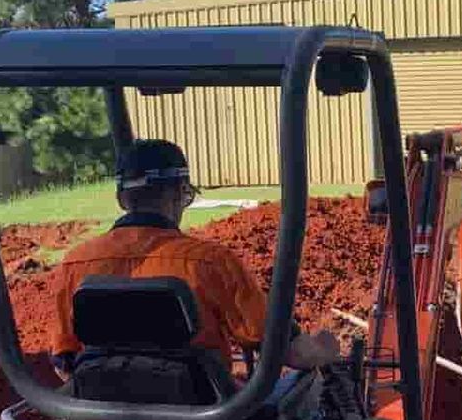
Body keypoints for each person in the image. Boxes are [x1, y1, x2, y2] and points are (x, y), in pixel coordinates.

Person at [48, 138, 342, 380]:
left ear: (122, 198)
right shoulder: (210, 262)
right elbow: (291, 353)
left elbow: (65, 363)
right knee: (305, 391)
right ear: (180, 192)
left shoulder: (75, 263)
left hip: (104, 418)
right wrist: (327, 348)